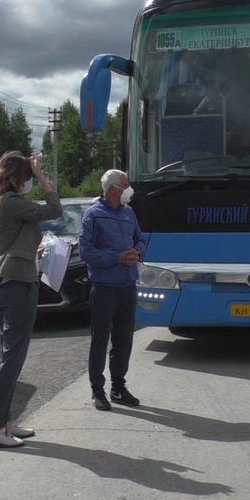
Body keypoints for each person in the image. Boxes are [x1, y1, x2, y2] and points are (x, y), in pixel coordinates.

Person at [0, 151, 61, 447]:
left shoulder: (1, 203)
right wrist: (42, 176)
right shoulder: (12, 202)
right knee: (11, 357)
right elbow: (54, 210)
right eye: (28, 178)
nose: (30, 183)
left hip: (12, 279)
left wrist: (28, 253)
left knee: (10, 356)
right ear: (15, 179)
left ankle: (4, 423)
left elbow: (0, 244)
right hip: (16, 283)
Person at [80, 169, 146, 411]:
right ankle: (97, 389)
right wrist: (116, 258)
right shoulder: (93, 215)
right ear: (112, 191)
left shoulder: (129, 213)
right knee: (100, 340)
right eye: (125, 185)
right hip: (104, 287)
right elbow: (86, 252)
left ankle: (118, 387)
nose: (129, 188)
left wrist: (137, 252)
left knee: (124, 339)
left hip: (128, 285)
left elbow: (141, 239)